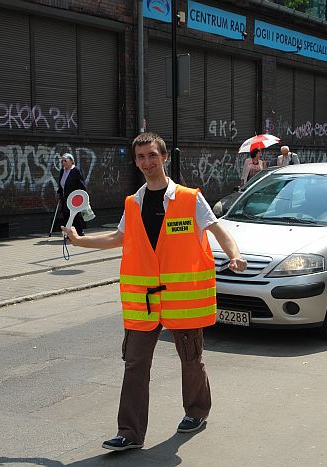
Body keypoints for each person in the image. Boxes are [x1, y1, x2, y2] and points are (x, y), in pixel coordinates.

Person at [62, 132, 247, 452]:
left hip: (182, 297)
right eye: (141, 157)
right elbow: (117, 238)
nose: (147, 162)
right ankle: (130, 433)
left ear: (164, 158)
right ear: (135, 162)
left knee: (191, 359)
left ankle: (196, 411)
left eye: (152, 155)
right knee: (134, 363)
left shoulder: (189, 198)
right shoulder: (133, 203)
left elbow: (217, 229)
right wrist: (79, 241)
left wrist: (234, 255)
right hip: (143, 301)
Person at [57, 153, 87, 236]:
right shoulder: (62, 171)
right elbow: (61, 184)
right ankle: (69, 234)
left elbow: (82, 185)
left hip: (74, 197)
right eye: (62, 161)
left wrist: (81, 196)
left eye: (65, 160)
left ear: (71, 161)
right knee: (66, 214)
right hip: (64, 197)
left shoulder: (76, 170)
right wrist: (59, 192)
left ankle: (80, 232)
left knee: (75, 215)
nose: (63, 163)